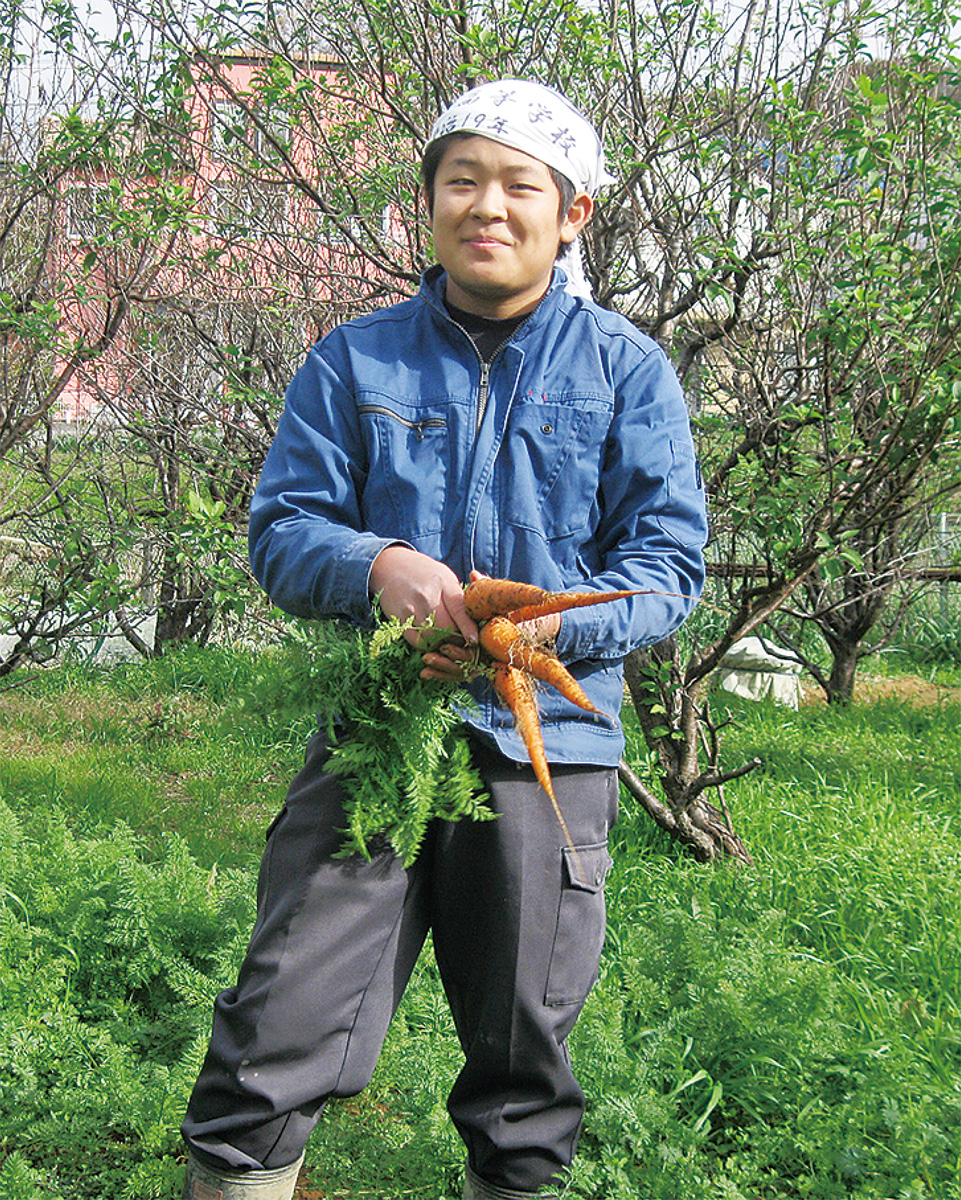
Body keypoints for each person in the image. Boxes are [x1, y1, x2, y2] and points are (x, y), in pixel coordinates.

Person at [180, 79, 708, 1200]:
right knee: (275, 1025)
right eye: (461, 180)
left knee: (524, 1066)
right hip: (376, 734)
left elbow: (666, 569)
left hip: (543, 753)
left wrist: (525, 637)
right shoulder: (355, 361)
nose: (488, 206)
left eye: (520, 185)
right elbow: (281, 529)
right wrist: (379, 568)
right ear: (425, 205)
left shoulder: (625, 372)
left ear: (571, 214)